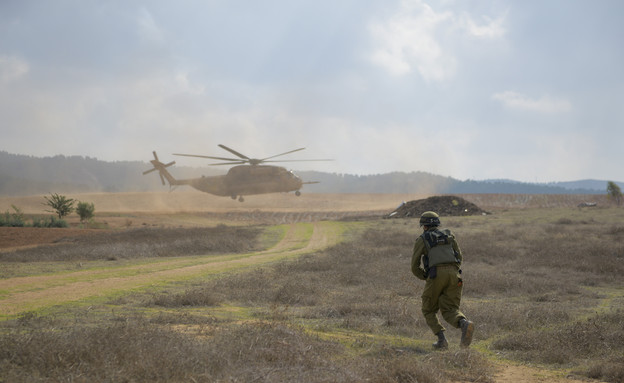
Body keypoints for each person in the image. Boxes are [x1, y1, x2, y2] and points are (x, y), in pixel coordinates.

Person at [411, 211, 474, 350]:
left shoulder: (422, 239)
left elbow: (414, 266)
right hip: (455, 274)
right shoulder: (449, 235)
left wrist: (425, 276)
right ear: (437, 223)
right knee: (450, 308)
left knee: (428, 310)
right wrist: (453, 270)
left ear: (424, 226)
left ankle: (441, 340)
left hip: (435, 275)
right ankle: (464, 323)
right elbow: (459, 256)